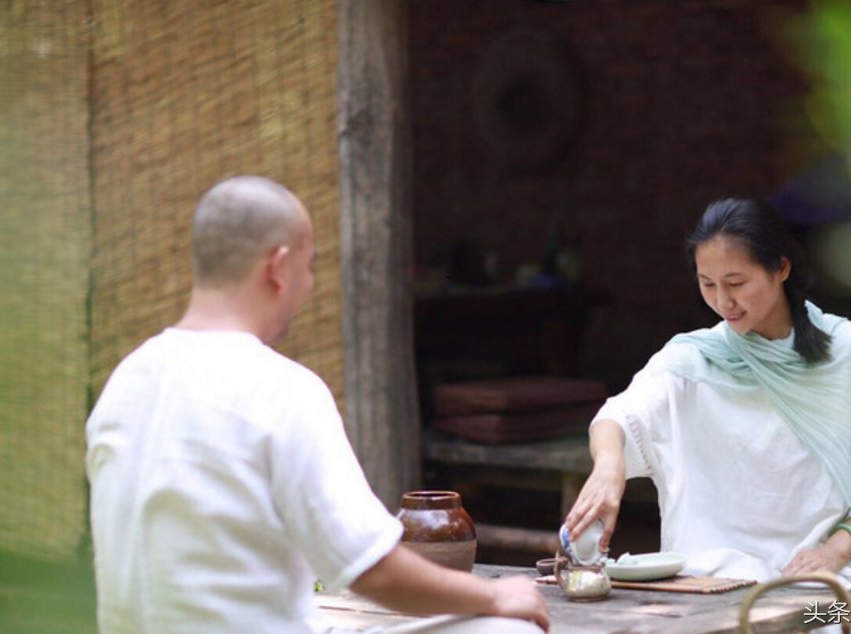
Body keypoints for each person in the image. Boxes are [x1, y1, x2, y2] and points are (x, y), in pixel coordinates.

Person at [85, 176, 549, 634]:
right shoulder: (279, 389)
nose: (308, 286)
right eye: (310, 267)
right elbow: (375, 572)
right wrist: (497, 595)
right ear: (278, 267)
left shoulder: (124, 382)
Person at [564, 198, 851, 633]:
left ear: (781, 268)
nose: (723, 301)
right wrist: (609, 466)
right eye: (708, 284)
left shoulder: (849, 354)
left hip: (825, 576)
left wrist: (835, 551)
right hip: (711, 579)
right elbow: (618, 417)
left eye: (736, 282)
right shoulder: (692, 360)